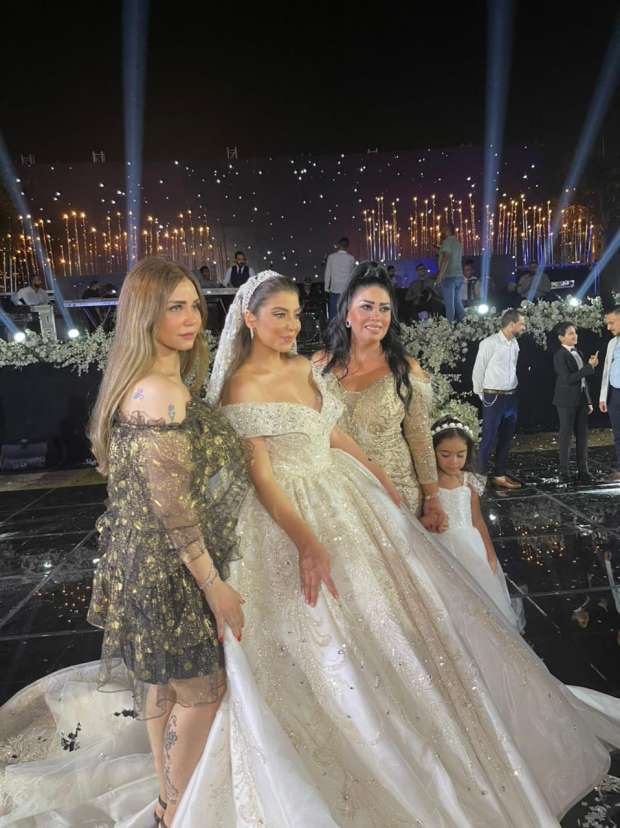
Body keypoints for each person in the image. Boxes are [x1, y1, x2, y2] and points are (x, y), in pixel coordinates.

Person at [2, 271, 620, 826]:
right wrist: (306, 543)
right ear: (248, 318)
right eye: (279, 314)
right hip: (284, 514)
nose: (292, 326)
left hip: (349, 498)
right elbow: (261, 478)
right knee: (312, 640)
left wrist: (382, 482)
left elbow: (333, 432)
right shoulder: (238, 385)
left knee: (399, 626)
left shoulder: (304, 367)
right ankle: (203, 783)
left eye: (298, 315)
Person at [87, 257, 248, 827]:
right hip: (169, 567)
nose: (190, 318)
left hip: (138, 559)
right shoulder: (160, 392)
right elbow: (174, 510)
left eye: (194, 305)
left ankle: (166, 793)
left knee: (162, 679)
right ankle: (174, 805)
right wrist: (214, 586)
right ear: (144, 315)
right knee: (202, 690)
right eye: (174, 307)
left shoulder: (145, 381)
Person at [314, 261, 447, 528]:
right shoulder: (318, 366)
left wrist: (432, 497)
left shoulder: (405, 368)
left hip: (395, 494)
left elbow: (419, 436)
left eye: (384, 309)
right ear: (347, 314)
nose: (377, 316)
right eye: (367, 307)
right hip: (337, 497)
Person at [430, 415, 520, 629]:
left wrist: (490, 554)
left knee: (479, 597)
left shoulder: (467, 481)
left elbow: (478, 521)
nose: (453, 461)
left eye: (460, 455)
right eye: (445, 455)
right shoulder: (429, 483)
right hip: (439, 545)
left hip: (470, 546)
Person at [472, 308, 526, 489]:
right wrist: (483, 395)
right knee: (489, 438)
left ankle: (499, 475)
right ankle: (479, 478)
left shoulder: (514, 343)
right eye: (521, 324)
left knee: (506, 438)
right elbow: (478, 370)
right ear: (511, 324)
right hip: (493, 396)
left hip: (511, 396)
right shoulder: (489, 343)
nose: (523, 327)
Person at [553, 322, 599, 484]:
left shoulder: (579, 352)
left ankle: (583, 471)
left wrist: (588, 401)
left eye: (575, 333)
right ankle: (564, 472)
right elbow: (568, 379)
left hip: (581, 400)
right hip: (566, 401)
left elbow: (583, 380)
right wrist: (589, 367)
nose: (575, 336)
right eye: (571, 333)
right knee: (566, 437)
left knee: (583, 436)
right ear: (561, 338)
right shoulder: (560, 355)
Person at [599, 305, 620, 483]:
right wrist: (603, 397)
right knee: (618, 433)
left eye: (612, 323)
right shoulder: (612, 343)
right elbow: (606, 370)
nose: (608, 327)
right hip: (615, 393)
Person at [435, 219, 465, 322]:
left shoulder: (447, 241)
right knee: (457, 302)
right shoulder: (457, 242)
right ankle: (465, 322)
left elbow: (446, 258)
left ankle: (449, 326)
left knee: (449, 304)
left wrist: (440, 275)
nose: (441, 231)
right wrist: (440, 250)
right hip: (459, 276)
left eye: (442, 228)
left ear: (447, 229)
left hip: (449, 276)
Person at [323, 236, 355, 319]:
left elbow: (328, 273)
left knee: (334, 316)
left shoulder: (331, 257)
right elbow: (352, 275)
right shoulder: (351, 258)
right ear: (347, 246)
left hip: (334, 290)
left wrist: (326, 288)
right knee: (345, 315)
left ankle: (334, 327)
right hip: (346, 291)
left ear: (338, 245)